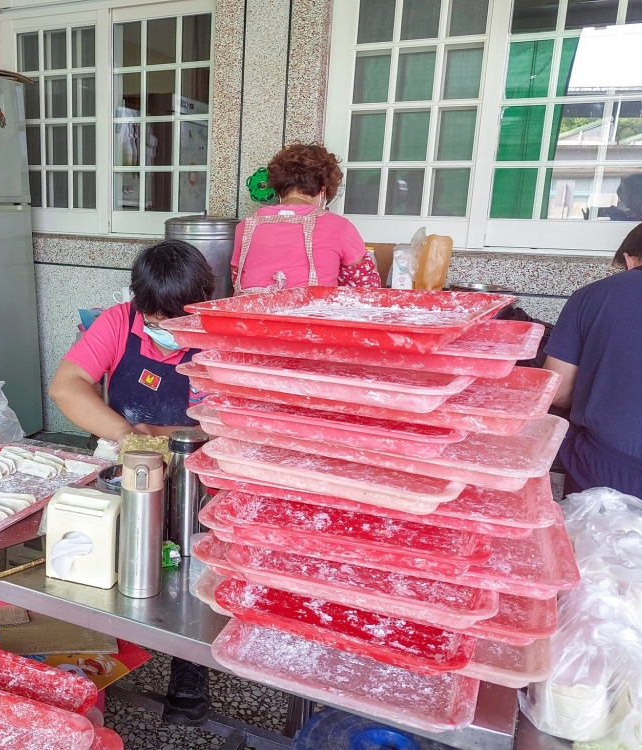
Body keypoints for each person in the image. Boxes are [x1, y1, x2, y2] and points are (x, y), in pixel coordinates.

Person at [49, 240, 214, 725]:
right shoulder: (119, 321)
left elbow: (245, 418)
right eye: (157, 320)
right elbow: (68, 384)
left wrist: (174, 436)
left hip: (198, 469)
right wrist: (126, 435)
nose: (166, 330)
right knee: (108, 555)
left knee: (189, 568)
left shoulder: (224, 335)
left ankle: (189, 673)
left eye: (177, 320)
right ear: (139, 303)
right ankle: (97, 658)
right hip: (125, 458)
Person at [544, 220, 642, 504]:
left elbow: (557, 390)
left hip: (611, 471)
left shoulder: (596, 294)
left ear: (630, 260)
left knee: (597, 546)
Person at [231, 143, 382, 294]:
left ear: (278, 187)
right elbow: (366, 286)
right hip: (310, 314)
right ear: (323, 189)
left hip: (252, 314)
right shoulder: (340, 226)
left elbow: (236, 276)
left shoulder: (245, 225)